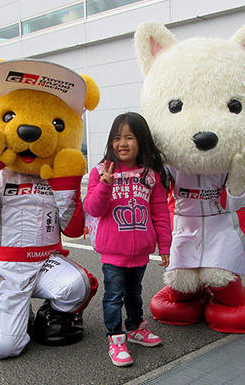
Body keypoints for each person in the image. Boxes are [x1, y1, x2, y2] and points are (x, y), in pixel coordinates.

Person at [84, 112, 171, 367]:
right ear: (111, 141)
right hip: (113, 252)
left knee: (134, 293)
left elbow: (160, 213)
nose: (122, 143)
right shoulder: (101, 171)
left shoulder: (150, 175)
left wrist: (164, 245)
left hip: (141, 252)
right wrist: (104, 185)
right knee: (113, 296)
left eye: (130, 137)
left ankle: (135, 328)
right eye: (117, 138)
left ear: (141, 141)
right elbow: (93, 208)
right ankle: (115, 337)